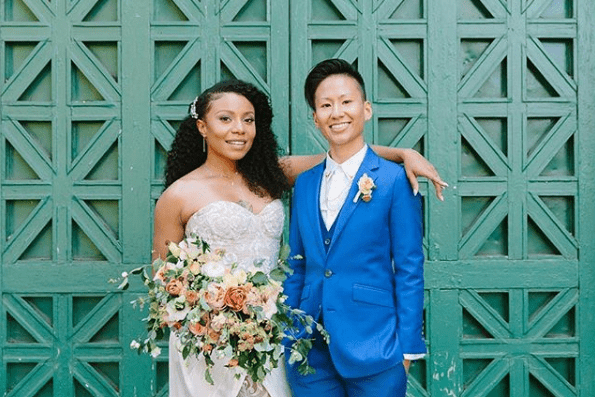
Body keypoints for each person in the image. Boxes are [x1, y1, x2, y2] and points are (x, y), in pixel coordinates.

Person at [152, 79, 442, 396]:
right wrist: (216, 316)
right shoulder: (177, 196)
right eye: (225, 119)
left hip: (273, 331)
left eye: (248, 120)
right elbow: (166, 282)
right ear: (202, 127)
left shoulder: (273, 174)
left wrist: (404, 153)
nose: (239, 129)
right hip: (212, 337)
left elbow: (344, 155)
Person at [283, 59, 427, 397]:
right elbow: (297, 264)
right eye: (325, 105)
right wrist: (288, 333)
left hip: (376, 345)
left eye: (346, 102)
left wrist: (407, 349)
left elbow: (409, 267)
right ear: (315, 117)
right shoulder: (304, 184)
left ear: (366, 109)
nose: (337, 113)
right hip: (308, 350)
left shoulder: (393, 180)